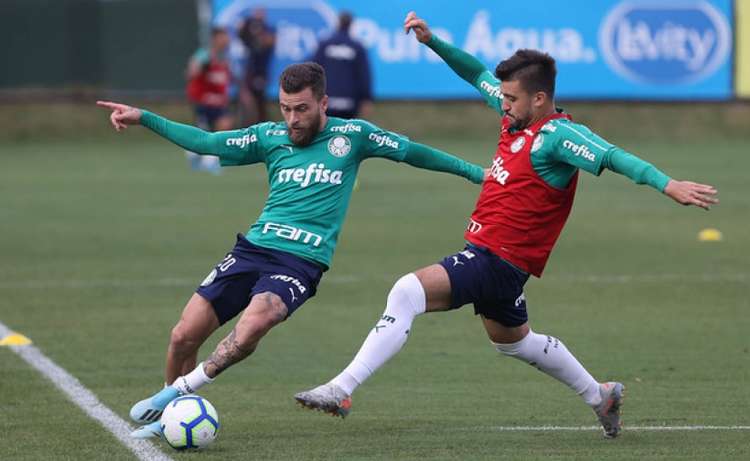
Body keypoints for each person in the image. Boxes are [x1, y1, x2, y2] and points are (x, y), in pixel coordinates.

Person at [294, 12, 719, 439]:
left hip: (498, 259)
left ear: (538, 99)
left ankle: (342, 389)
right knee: (512, 341)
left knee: (407, 292)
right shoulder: (512, 114)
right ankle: (600, 395)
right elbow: (475, 72)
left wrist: (668, 184)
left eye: (511, 98)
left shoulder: (558, 136)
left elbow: (613, 156)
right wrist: (432, 41)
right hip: (496, 259)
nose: (503, 103)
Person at [96, 61, 485, 439]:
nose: (292, 119)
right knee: (183, 335)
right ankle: (170, 416)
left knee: (255, 322)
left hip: (300, 262)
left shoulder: (352, 136)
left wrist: (474, 173)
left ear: (323, 104)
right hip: (252, 249)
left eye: (301, 109)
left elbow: (413, 152)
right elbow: (206, 142)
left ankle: (176, 392)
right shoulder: (269, 137)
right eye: (285, 108)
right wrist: (145, 117)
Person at [185, 27, 233, 174]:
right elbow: (191, 73)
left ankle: (210, 161)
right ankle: (195, 156)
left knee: (223, 126)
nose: (226, 40)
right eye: (223, 36)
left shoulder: (225, 57)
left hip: (218, 103)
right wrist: (201, 67)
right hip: (203, 102)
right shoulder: (204, 55)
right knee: (203, 132)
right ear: (215, 39)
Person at [311, 11, 373, 119]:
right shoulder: (357, 47)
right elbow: (364, 75)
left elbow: (313, 70)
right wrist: (366, 98)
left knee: (326, 132)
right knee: (347, 132)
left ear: (338, 23)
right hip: (350, 102)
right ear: (351, 25)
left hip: (327, 100)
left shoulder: (325, 44)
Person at [238, 8, 275, 125]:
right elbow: (242, 34)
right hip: (250, 73)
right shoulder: (251, 38)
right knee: (247, 101)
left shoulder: (268, 32)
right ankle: (247, 126)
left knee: (260, 101)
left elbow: (269, 40)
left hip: (260, 73)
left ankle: (262, 125)